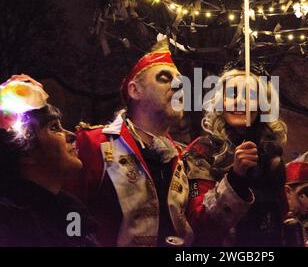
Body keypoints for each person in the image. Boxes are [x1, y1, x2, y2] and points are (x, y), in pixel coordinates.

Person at [65, 41, 194, 247]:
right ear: (135, 91)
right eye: (165, 78)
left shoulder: (182, 155)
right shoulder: (94, 143)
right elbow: (67, 214)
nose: (179, 86)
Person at [184, 65, 288, 246]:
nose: (240, 102)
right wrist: (235, 179)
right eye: (232, 94)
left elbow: (280, 216)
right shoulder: (202, 150)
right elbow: (198, 224)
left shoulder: (271, 154)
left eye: (250, 95)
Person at [0, 75, 98, 247]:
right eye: (54, 127)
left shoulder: (71, 211)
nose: (71, 135)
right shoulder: (9, 223)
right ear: (25, 151)